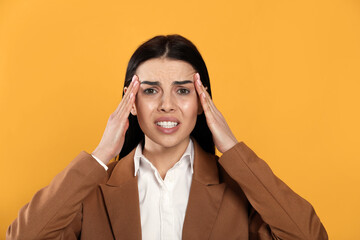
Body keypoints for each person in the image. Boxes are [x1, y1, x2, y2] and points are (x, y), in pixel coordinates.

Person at [7, 35, 328, 240]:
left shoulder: (237, 189)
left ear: (203, 102)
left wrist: (231, 148)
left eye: (183, 90)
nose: (166, 105)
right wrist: (100, 154)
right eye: (150, 90)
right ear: (130, 102)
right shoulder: (92, 191)